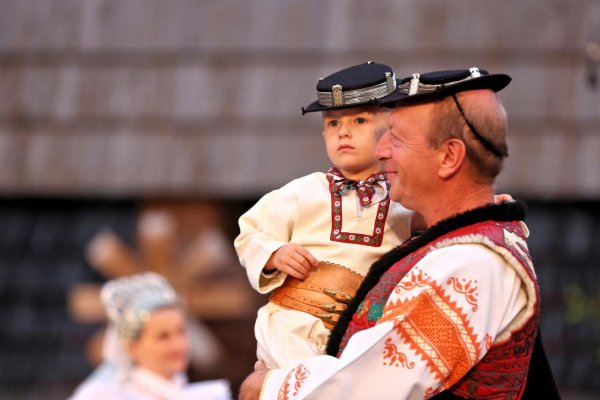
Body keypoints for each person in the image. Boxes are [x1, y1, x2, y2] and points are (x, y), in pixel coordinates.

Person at [239, 67, 560, 399]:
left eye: (396, 137)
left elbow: (370, 389)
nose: (380, 151)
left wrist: (265, 387)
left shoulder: (469, 262)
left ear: (449, 156)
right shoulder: (454, 246)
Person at [234, 62, 420, 369]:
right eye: (333, 124)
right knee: (307, 383)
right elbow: (250, 232)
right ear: (323, 134)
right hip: (295, 324)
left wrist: (483, 207)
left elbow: (447, 220)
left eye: (359, 120)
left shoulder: (405, 199)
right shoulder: (303, 192)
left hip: (362, 331)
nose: (343, 132)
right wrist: (275, 254)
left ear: (391, 130)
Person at [69, 272, 232, 400]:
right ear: (132, 346)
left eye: (181, 332)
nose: (178, 344)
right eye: (163, 337)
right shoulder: (105, 396)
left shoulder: (205, 396)